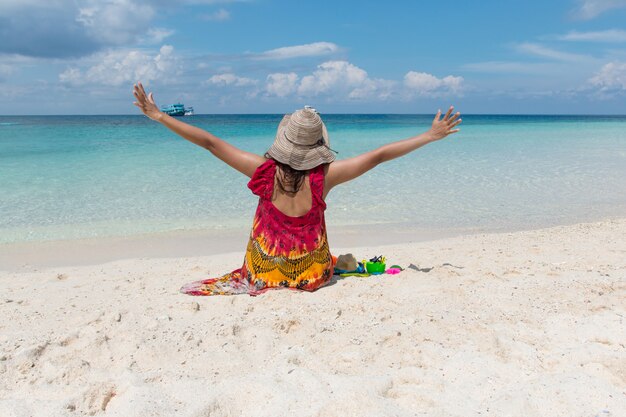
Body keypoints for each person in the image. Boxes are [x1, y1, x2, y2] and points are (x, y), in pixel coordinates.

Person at [132, 82, 461, 296]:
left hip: (263, 276)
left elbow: (209, 143)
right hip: (312, 277)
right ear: (318, 146)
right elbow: (377, 156)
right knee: (336, 260)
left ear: (283, 142)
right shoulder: (325, 177)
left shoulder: (262, 171)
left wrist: (159, 115)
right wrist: (429, 136)